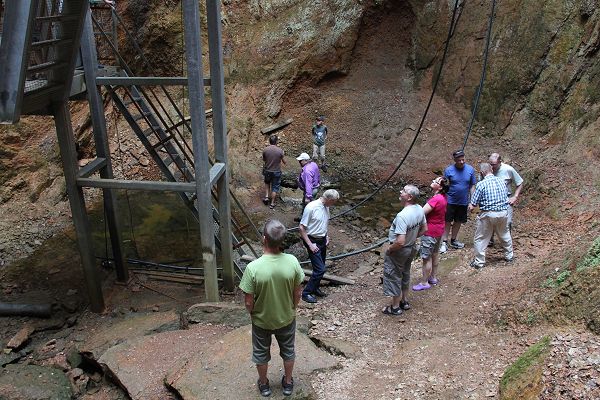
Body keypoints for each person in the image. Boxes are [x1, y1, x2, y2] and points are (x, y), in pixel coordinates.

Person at [239, 219, 305, 397]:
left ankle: (264, 384)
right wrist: (292, 308)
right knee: (288, 350)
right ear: (282, 240)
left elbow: (248, 301)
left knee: (260, 353)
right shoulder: (292, 262)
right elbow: (298, 292)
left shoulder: (252, 268)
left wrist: (252, 313)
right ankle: (288, 383)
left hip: (262, 320)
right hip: (286, 318)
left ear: (264, 239)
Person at [382, 185, 427, 315]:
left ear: (409, 197)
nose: (401, 192)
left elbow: (400, 241)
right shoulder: (419, 208)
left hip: (400, 250)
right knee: (405, 273)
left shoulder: (402, 216)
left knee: (394, 275)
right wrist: (412, 238)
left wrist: (390, 249)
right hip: (411, 248)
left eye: (404, 191)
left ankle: (395, 307)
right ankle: (404, 301)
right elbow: (424, 229)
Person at [468, 163, 513, 269]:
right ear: (491, 170)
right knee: (505, 234)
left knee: (480, 238)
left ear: (482, 173)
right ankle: (509, 256)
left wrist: (470, 206)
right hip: (503, 212)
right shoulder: (501, 181)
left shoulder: (481, 184)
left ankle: (479, 262)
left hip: (488, 214)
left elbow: (474, 203)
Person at [299, 189, 340, 303]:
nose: (334, 204)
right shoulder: (311, 207)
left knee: (321, 265)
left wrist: (326, 235)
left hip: (322, 239)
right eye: (334, 201)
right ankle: (306, 293)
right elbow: (301, 228)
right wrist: (310, 245)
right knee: (320, 269)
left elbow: (324, 222)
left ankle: (315, 288)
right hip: (312, 240)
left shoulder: (326, 207)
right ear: (328, 199)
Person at [412, 176, 448, 291]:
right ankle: (433, 277)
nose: (432, 181)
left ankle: (424, 282)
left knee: (426, 258)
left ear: (440, 187)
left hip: (430, 231)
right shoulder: (443, 197)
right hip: (439, 230)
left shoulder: (435, 199)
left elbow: (421, 213)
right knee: (435, 254)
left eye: (435, 181)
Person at [440, 149, 477, 253]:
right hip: (450, 200)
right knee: (447, 221)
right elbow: (444, 185)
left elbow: (472, 185)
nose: (461, 162)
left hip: (463, 201)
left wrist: (472, 201)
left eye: (463, 159)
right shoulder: (449, 170)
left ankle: (454, 240)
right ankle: (444, 241)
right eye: (459, 160)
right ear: (455, 160)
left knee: (458, 221)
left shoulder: (470, 170)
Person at [488, 153, 523, 245]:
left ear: (500, 161)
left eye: (494, 164)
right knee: (490, 220)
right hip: (491, 199)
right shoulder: (487, 170)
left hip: (505, 199)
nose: (492, 166)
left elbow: (519, 182)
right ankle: (489, 239)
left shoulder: (508, 169)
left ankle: (507, 242)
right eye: (490, 164)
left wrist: (515, 196)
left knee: (508, 221)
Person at [262, 134, 286, 209]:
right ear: (276, 142)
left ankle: (266, 197)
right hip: (276, 171)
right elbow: (284, 161)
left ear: (269, 141)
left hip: (267, 170)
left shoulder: (265, 150)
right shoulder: (280, 151)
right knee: (275, 187)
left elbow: (264, 160)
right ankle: (272, 203)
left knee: (267, 183)